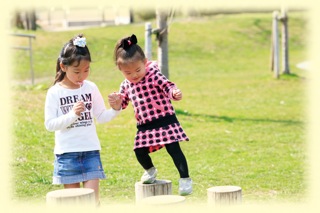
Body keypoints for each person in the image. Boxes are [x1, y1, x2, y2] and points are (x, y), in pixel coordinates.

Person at [44, 34, 121, 205]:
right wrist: (72, 115)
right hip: (67, 155)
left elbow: (101, 117)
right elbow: (50, 124)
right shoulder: (55, 92)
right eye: (77, 71)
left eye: (86, 70)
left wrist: (116, 108)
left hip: (91, 152)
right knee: (75, 204)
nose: (82, 76)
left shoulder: (91, 88)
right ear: (63, 67)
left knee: (92, 202)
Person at [111, 34, 192, 195]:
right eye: (128, 72)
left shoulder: (153, 74)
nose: (134, 75)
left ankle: (185, 180)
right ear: (120, 70)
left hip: (164, 120)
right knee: (139, 151)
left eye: (138, 70)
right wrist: (116, 102)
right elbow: (123, 103)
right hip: (145, 125)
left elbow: (167, 85)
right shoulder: (126, 85)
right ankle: (150, 171)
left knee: (174, 149)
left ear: (145, 63)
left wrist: (174, 92)